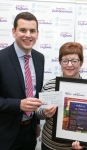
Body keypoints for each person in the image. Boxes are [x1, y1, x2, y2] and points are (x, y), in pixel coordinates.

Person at [36, 42, 87, 150]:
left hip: (75, 147)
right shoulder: (49, 85)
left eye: (74, 61)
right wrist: (44, 113)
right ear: (60, 62)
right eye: (65, 60)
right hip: (49, 145)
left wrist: (86, 140)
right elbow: (38, 113)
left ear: (81, 62)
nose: (69, 65)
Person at [0, 12, 44, 150]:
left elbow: (36, 94)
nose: (28, 35)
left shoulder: (39, 58)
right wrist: (18, 104)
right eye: (23, 30)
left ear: (37, 33)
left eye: (32, 31)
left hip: (30, 133)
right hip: (5, 134)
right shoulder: (1, 58)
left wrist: (36, 123)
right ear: (13, 32)